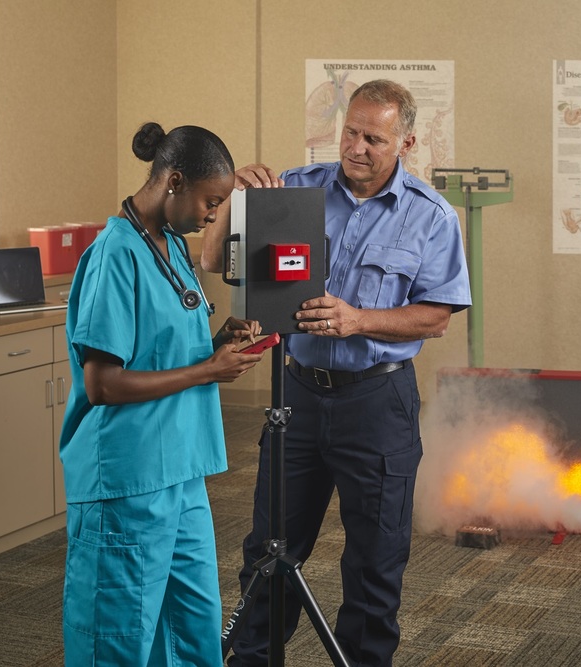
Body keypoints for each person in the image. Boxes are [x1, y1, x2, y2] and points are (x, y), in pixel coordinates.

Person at [202, 79, 471, 666]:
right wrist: (232, 203)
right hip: (294, 394)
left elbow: (437, 318)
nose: (357, 147)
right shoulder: (293, 191)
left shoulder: (431, 216)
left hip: (378, 403)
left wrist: (358, 320)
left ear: (406, 141)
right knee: (269, 552)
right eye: (350, 132)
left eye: (374, 138)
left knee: (375, 561)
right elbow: (213, 260)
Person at [60, 121, 265, 666]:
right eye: (211, 201)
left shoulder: (171, 244)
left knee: (193, 633)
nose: (214, 215)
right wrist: (207, 373)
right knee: (118, 640)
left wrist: (218, 343)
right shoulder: (114, 254)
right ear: (174, 181)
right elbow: (101, 383)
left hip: (182, 472)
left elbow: (165, 345)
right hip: (126, 480)